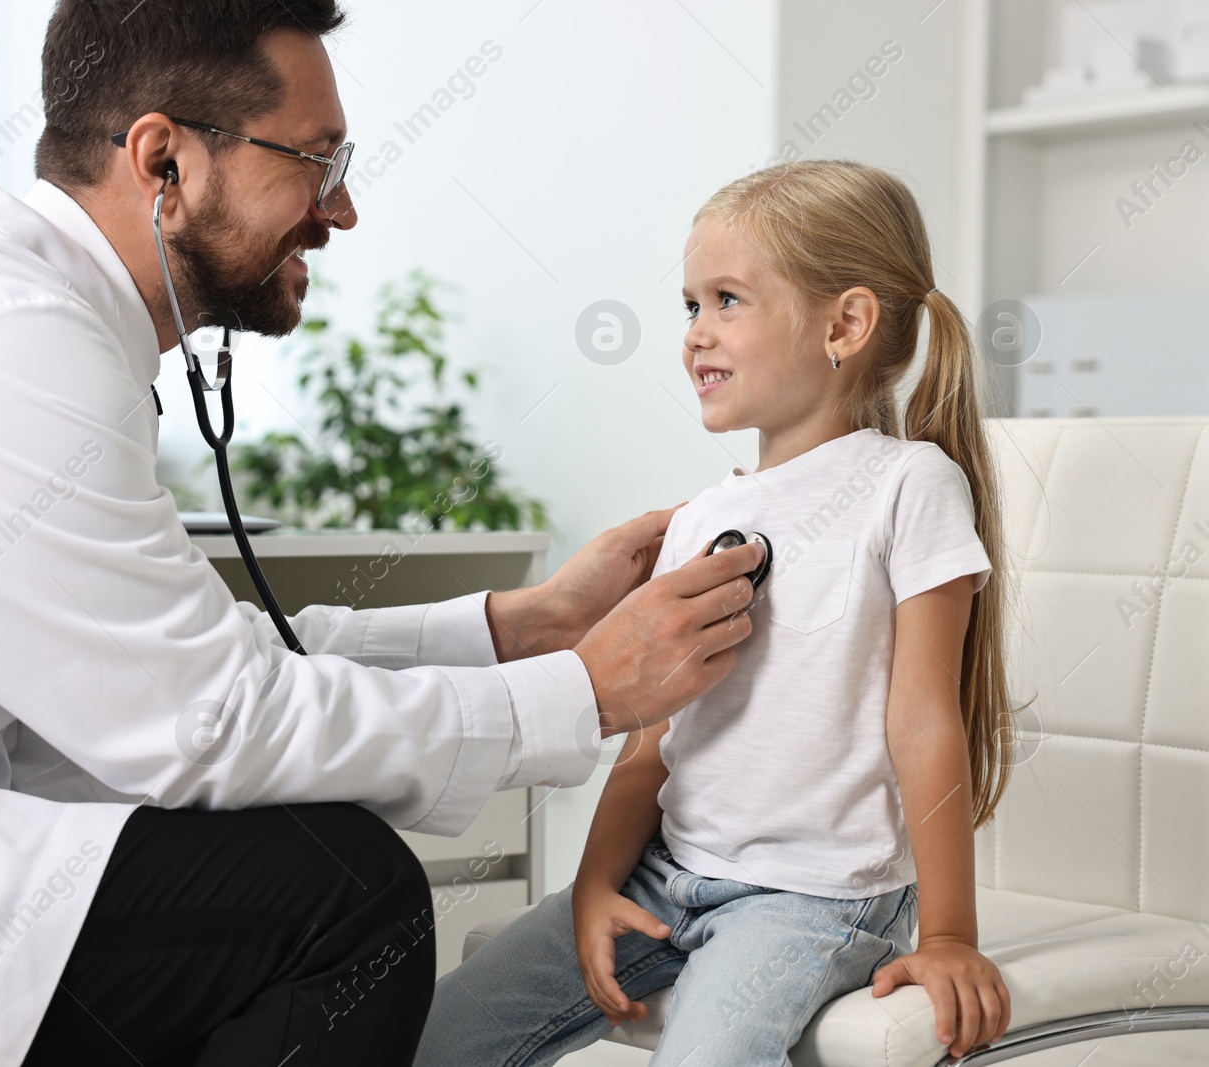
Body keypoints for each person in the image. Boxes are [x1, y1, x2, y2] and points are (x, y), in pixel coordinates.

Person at [0, 3, 767, 1065]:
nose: (343, 206)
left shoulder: (24, 316)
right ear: (164, 160)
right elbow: (203, 721)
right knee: (333, 896)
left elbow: (181, 669)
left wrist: (522, 627)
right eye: (316, 161)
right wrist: (584, 690)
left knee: (276, 876)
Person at [412, 159, 1020, 1066]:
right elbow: (651, 742)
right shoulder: (700, 517)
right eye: (689, 306)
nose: (696, 333)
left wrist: (949, 936)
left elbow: (927, 722)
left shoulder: (908, 484)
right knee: (434, 1035)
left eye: (727, 300)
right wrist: (591, 886)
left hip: (812, 895)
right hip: (664, 876)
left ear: (844, 324)